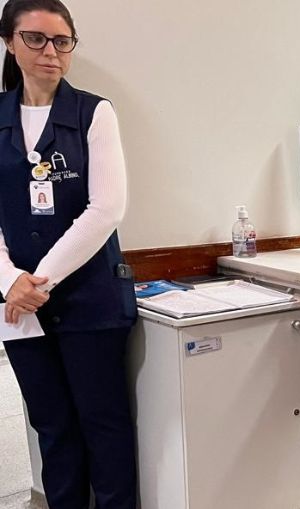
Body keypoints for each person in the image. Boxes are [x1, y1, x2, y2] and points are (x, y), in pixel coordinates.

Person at [0, 0, 137, 507]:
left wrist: (38, 282)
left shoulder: (93, 113)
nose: (50, 52)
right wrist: (9, 281)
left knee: (104, 425)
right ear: (9, 43)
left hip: (88, 298)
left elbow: (106, 210)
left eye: (62, 41)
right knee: (52, 426)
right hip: (17, 304)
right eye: (35, 39)